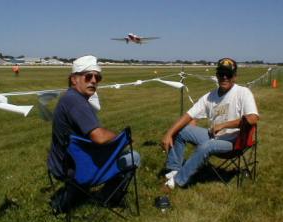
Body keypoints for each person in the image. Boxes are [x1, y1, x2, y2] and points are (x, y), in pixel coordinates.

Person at [47, 55, 140, 212]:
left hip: (60, 162)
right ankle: (105, 198)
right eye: (88, 76)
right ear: (74, 79)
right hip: (75, 168)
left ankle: (70, 198)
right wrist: (122, 140)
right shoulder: (76, 102)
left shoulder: (70, 98)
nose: (94, 81)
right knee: (134, 156)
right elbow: (99, 136)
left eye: (97, 77)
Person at [161, 58, 259, 189]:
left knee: (206, 146)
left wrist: (223, 125)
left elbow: (253, 118)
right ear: (217, 76)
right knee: (182, 130)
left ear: (234, 77)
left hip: (233, 143)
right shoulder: (209, 96)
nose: (224, 77)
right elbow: (188, 115)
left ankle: (177, 181)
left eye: (228, 74)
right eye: (221, 74)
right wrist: (169, 134)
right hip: (213, 136)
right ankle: (174, 169)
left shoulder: (243, 93)